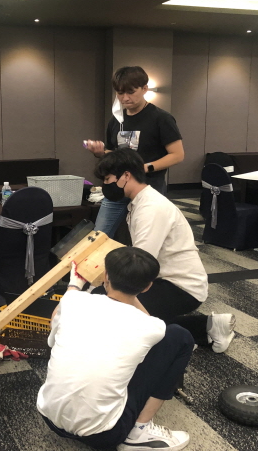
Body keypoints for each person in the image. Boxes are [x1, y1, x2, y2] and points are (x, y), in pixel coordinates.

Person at [38, 247, 194, 451]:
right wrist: (134, 290)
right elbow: (151, 331)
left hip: (49, 417)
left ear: (106, 275)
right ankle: (139, 432)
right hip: (104, 436)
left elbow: (56, 318)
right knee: (180, 337)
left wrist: (74, 284)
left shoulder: (73, 301)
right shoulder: (152, 327)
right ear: (148, 286)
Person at [94, 148, 236, 352]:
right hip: (163, 280)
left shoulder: (151, 208)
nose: (105, 185)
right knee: (106, 298)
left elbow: (139, 265)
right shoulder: (141, 202)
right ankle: (209, 326)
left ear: (126, 176)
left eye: (107, 179)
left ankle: (175, 341)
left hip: (180, 287)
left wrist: (105, 283)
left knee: (109, 305)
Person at [84, 66, 185, 237]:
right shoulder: (116, 120)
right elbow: (114, 154)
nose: (125, 98)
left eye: (130, 92)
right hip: (117, 189)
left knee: (147, 238)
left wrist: (144, 168)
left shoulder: (161, 118)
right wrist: (100, 152)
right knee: (99, 235)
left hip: (149, 189)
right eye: (120, 93)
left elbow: (177, 155)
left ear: (144, 88)